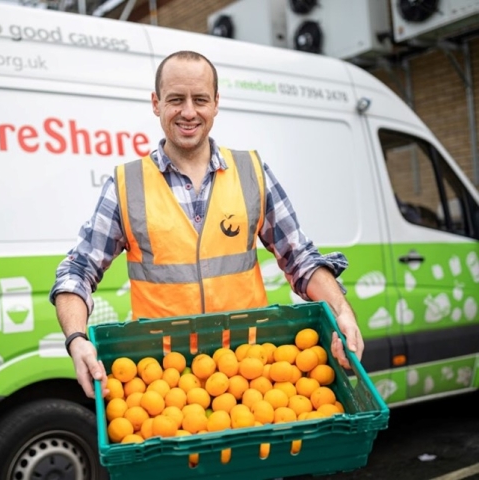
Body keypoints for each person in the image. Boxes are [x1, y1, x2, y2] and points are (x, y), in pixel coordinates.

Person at [50, 50, 364, 399]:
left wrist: (343, 312)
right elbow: (77, 270)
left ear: (216, 103)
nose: (188, 112)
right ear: (156, 104)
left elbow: (301, 259)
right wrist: (76, 339)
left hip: (249, 375)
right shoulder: (127, 185)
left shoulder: (252, 172)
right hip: (163, 383)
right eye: (175, 99)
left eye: (200, 99)